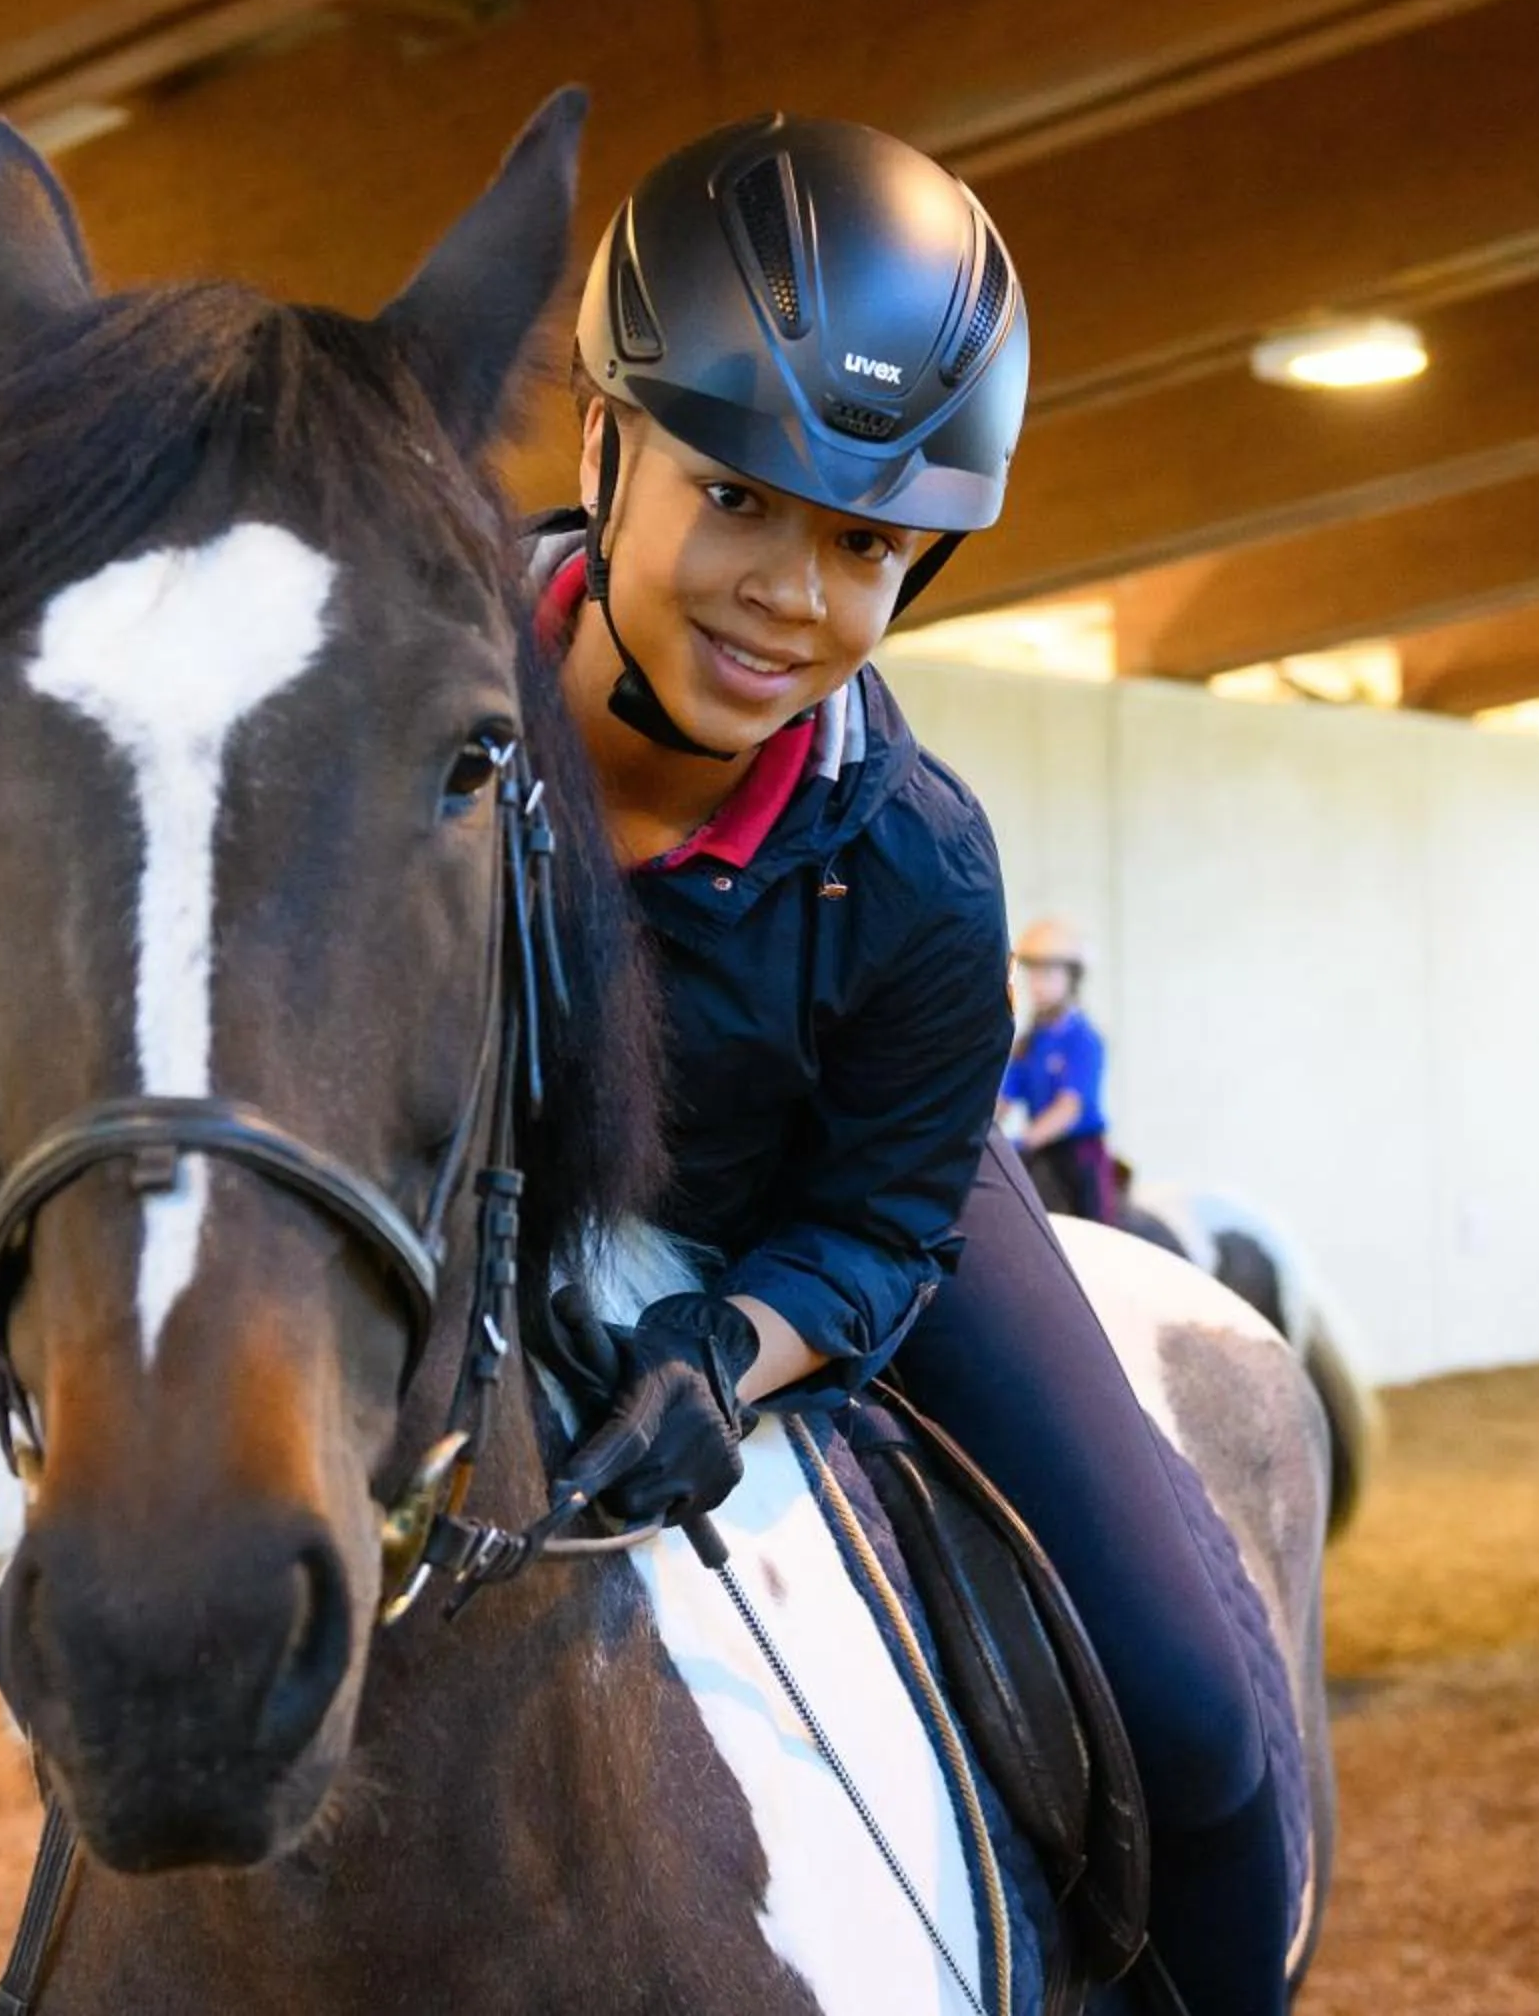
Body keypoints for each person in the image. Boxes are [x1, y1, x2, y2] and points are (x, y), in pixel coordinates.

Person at [527, 114, 1293, 2014]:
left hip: (833, 1205)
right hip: (511, 1186)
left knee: (1197, 1710)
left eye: (864, 541)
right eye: (739, 499)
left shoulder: (924, 867)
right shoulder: (414, 710)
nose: (791, 591)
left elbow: (877, 1213)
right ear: (607, 445)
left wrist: (730, 1343)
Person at [1003, 918, 1118, 1222]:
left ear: (1071, 978)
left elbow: (1068, 1111)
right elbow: (1001, 1101)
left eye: (1049, 973)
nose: (1038, 984)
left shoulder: (1084, 1039)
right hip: (1039, 1153)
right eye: (1033, 974)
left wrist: (1021, 1141)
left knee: (1097, 1236)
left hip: (1079, 1157)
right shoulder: (1029, 1042)